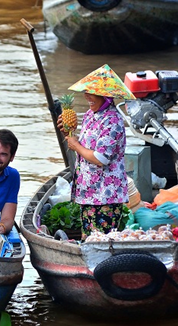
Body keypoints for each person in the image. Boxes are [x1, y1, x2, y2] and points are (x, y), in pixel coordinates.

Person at [57, 64, 135, 240]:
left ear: (106, 96)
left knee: (102, 241)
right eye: (87, 92)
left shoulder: (113, 121)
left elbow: (101, 158)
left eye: (93, 93)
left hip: (105, 196)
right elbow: (84, 146)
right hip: (88, 192)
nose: (87, 96)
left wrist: (76, 145)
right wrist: (68, 134)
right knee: (89, 239)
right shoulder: (90, 115)